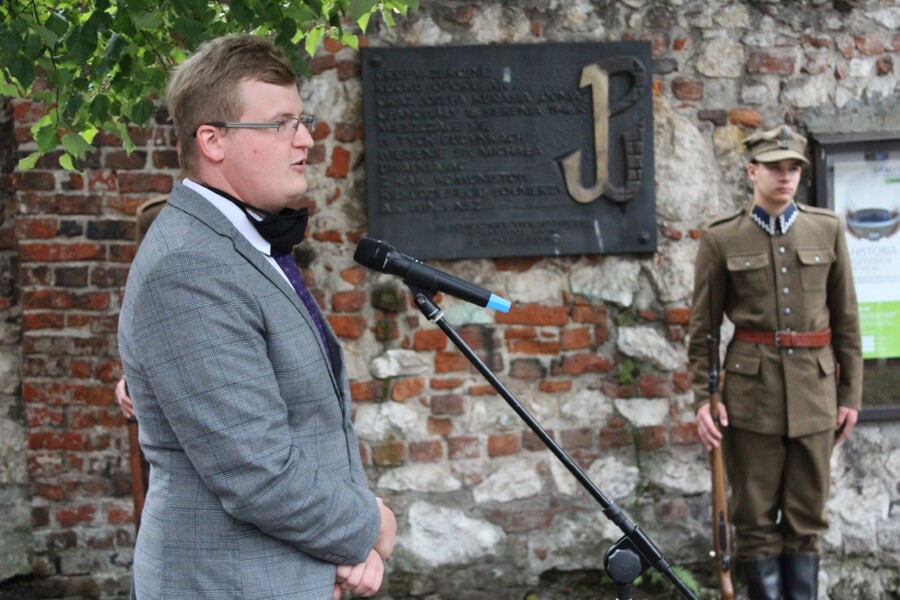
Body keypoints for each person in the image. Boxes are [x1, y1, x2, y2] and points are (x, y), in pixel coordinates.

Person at [117, 34, 396, 600]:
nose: (306, 139)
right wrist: (371, 527)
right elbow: (257, 470)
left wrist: (348, 551)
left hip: (292, 572)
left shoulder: (240, 242)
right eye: (281, 124)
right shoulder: (189, 266)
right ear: (213, 141)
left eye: (303, 120)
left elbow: (311, 421)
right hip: (227, 582)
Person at [688, 125, 862, 600]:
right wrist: (706, 399)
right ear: (752, 171)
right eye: (774, 168)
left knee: (808, 516)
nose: (785, 177)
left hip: (815, 391)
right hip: (751, 394)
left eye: (793, 168)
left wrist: (850, 397)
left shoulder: (826, 229)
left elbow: (846, 319)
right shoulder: (722, 238)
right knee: (756, 517)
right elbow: (703, 329)